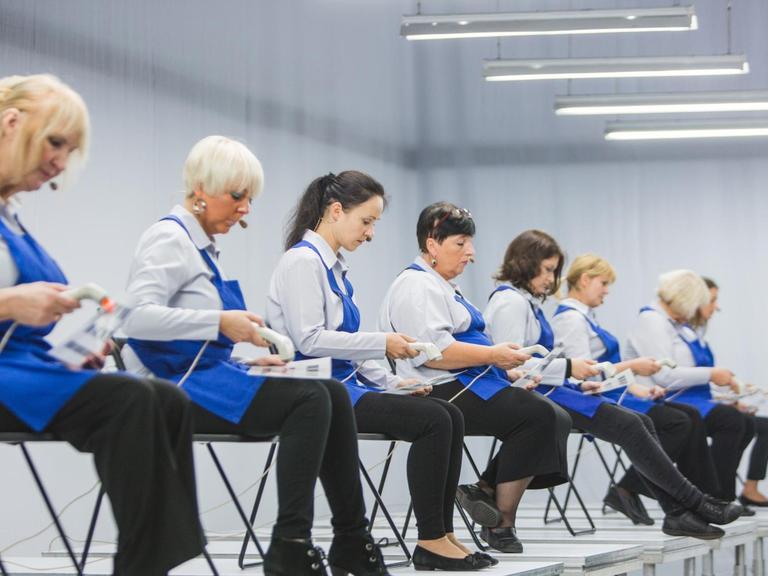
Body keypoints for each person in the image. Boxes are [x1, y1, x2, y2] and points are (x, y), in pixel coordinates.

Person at [121, 138, 387, 576]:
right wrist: (220, 323)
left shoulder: (202, 246)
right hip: (175, 387)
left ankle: (351, 538)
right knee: (312, 400)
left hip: (209, 374)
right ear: (201, 188)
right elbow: (135, 318)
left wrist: (246, 361)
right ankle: (290, 542)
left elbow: (193, 333)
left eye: (250, 199)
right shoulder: (168, 238)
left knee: (332, 396)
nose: (246, 208)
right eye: (238, 196)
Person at [0, 74, 205, 575]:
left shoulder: (12, 216)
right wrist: (8, 303)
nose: (60, 163)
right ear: (10, 123)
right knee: (129, 400)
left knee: (166, 399)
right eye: (55, 143)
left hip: (23, 368)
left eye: (69, 150)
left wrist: (65, 354)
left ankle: (153, 562)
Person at [267, 172, 492, 571]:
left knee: (450, 414)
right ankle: (429, 539)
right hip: (317, 391)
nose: (370, 233)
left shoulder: (334, 267)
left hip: (345, 384)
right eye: (367, 221)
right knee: (434, 422)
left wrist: (393, 382)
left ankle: (442, 532)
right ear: (336, 211)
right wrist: (382, 343)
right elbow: (310, 340)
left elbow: (351, 342)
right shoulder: (302, 262)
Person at [482, 230, 741, 540]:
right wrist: (581, 370)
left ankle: (680, 511)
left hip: (554, 387)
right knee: (642, 424)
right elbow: (512, 363)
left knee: (643, 421)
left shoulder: (529, 304)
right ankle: (693, 503)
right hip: (541, 391)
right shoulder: (520, 305)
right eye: (549, 269)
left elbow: (557, 366)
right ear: (527, 264)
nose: (553, 279)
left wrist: (616, 381)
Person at [378, 202, 572, 554]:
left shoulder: (442, 286)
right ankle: (500, 522)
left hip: (468, 379)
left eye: (470, 244)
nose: (471, 254)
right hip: (440, 388)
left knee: (556, 416)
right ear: (432, 244)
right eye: (461, 244)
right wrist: (492, 356)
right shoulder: (416, 286)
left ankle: (485, 489)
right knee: (538, 414)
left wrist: (504, 367)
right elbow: (434, 354)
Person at [552, 254, 720, 524]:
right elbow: (582, 374)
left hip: (609, 392)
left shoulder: (585, 318)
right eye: (604, 283)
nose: (607, 290)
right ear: (584, 280)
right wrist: (634, 367)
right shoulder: (571, 320)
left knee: (686, 417)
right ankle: (674, 498)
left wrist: (639, 390)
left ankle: (699, 498)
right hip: (588, 398)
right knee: (678, 421)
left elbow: (599, 370)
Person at [625, 270, 755, 509]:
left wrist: (724, 393)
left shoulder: (670, 324)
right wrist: (712, 374)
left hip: (673, 396)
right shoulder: (653, 321)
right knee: (727, 421)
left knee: (739, 421)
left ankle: (711, 496)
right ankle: (713, 496)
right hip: (654, 398)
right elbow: (664, 376)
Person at [691, 277, 767, 508]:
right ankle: (718, 494)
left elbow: (698, 382)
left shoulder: (696, 335)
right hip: (686, 406)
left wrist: (729, 399)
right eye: (712, 300)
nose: (717, 307)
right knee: (735, 422)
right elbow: (674, 381)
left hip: (701, 402)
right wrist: (723, 401)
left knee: (747, 422)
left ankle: (727, 491)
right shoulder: (679, 334)